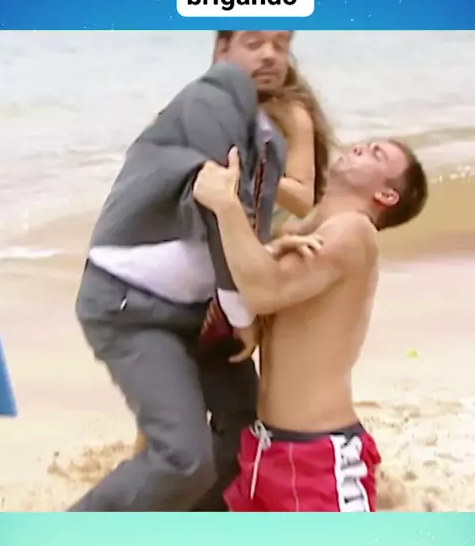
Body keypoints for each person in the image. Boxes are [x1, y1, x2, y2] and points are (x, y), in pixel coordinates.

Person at [70, 31, 330, 512]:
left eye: (280, 44)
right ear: (221, 51)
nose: (270, 54)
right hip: (144, 300)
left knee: (241, 429)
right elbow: (209, 209)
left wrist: (264, 246)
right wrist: (244, 311)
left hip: (208, 298)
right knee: (181, 452)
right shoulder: (206, 108)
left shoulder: (276, 123)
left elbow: (252, 216)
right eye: (254, 43)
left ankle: (192, 518)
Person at [193, 139, 429, 511]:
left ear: (386, 195)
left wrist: (225, 204)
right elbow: (261, 306)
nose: (361, 148)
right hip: (266, 447)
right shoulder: (303, 232)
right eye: (367, 144)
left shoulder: (355, 231)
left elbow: (264, 290)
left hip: (318, 454)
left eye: (377, 154)